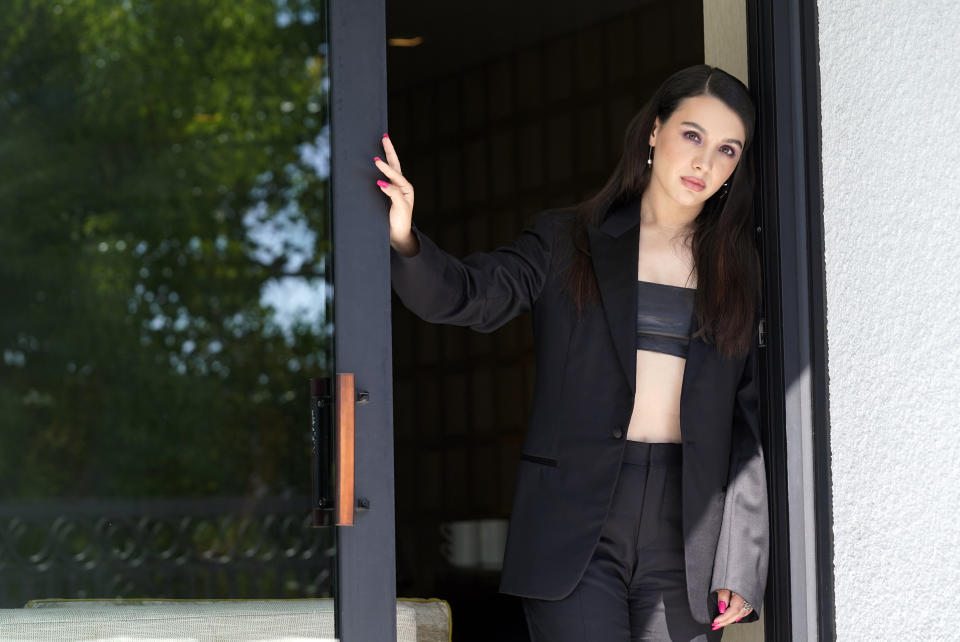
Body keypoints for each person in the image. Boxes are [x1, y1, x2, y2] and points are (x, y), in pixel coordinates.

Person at [377, 64, 769, 641]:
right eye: (692, 135)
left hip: (686, 529)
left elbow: (748, 421)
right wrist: (405, 236)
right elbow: (467, 296)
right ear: (655, 131)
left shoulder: (738, 271)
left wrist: (741, 560)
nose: (704, 163)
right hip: (576, 524)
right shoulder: (568, 241)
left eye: (726, 150)